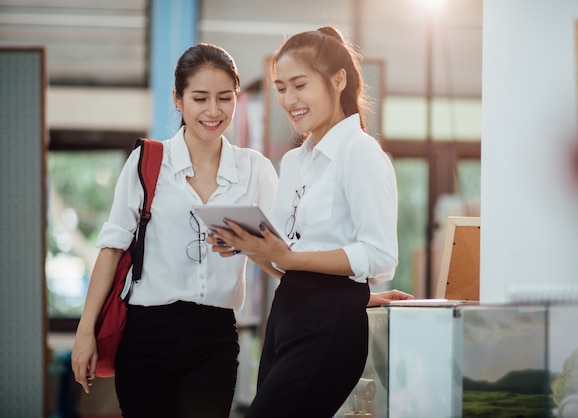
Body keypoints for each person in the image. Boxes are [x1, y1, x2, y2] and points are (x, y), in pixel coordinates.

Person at [209, 26, 409, 418]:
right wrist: (249, 244)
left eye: (299, 85)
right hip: (288, 314)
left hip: (331, 324)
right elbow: (287, 255)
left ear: (338, 81)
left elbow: (380, 256)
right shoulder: (296, 160)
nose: (288, 99)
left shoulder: (361, 153)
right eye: (281, 88)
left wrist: (297, 262)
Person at [71, 43, 279, 418]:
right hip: (145, 335)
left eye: (224, 98)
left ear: (237, 98)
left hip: (214, 337)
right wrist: (85, 332)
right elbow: (112, 247)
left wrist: (251, 247)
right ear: (178, 100)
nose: (213, 111)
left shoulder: (256, 170)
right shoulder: (148, 161)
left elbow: (282, 257)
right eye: (200, 98)